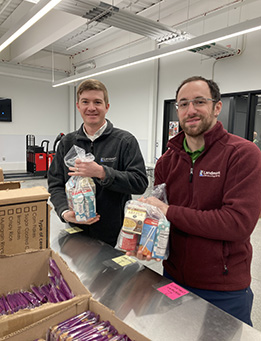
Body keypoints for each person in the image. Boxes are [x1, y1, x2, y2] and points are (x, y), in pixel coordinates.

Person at [130, 76, 261, 326]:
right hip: (172, 278)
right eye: (183, 104)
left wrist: (168, 211)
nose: (191, 110)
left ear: (217, 107)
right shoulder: (166, 161)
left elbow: (237, 224)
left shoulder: (243, 154)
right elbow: (160, 219)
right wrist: (147, 240)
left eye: (199, 101)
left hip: (223, 288)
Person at [48, 79, 148, 247]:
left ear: (106, 107)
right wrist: (64, 212)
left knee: (111, 273)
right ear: (78, 106)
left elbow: (140, 183)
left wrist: (102, 173)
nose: (91, 108)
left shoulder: (125, 141)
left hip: (114, 235)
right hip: (76, 231)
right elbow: (55, 183)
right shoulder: (67, 143)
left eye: (97, 102)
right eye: (85, 102)